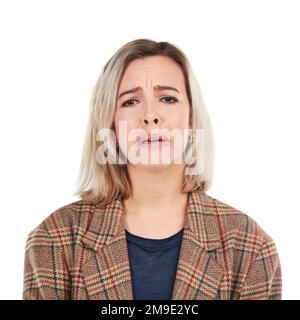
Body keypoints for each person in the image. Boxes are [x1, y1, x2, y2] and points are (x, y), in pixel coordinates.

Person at [22, 38, 282, 300]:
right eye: (130, 102)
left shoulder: (250, 246)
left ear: (191, 118)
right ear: (109, 124)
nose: (150, 115)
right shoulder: (54, 239)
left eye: (168, 98)